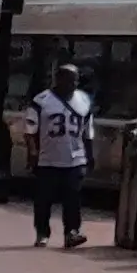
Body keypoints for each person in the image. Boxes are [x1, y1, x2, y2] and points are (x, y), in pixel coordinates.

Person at [27, 59, 94, 250]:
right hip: (48, 159)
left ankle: (72, 232)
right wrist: (32, 153)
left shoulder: (83, 100)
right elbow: (30, 130)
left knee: (73, 198)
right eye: (69, 80)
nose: (73, 84)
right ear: (58, 79)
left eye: (76, 80)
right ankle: (42, 233)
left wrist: (89, 155)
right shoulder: (41, 101)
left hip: (75, 158)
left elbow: (88, 130)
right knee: (43, 200)